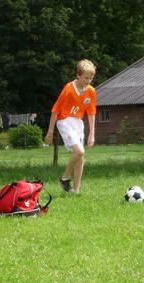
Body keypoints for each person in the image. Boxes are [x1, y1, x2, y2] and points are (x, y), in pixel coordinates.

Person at [44, 59, 97, 194]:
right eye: (86, 78)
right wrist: (50, 131)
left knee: (80, 158)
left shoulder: (91, 91)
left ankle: (76, 191)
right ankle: (65, 177)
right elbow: (55, 110)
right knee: (79, 151)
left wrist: (92, 134)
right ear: (78, 75)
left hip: (78, 123)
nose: (89, 81)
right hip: (65, 121)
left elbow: (91, 113)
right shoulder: (68, 89)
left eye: (91, 78)